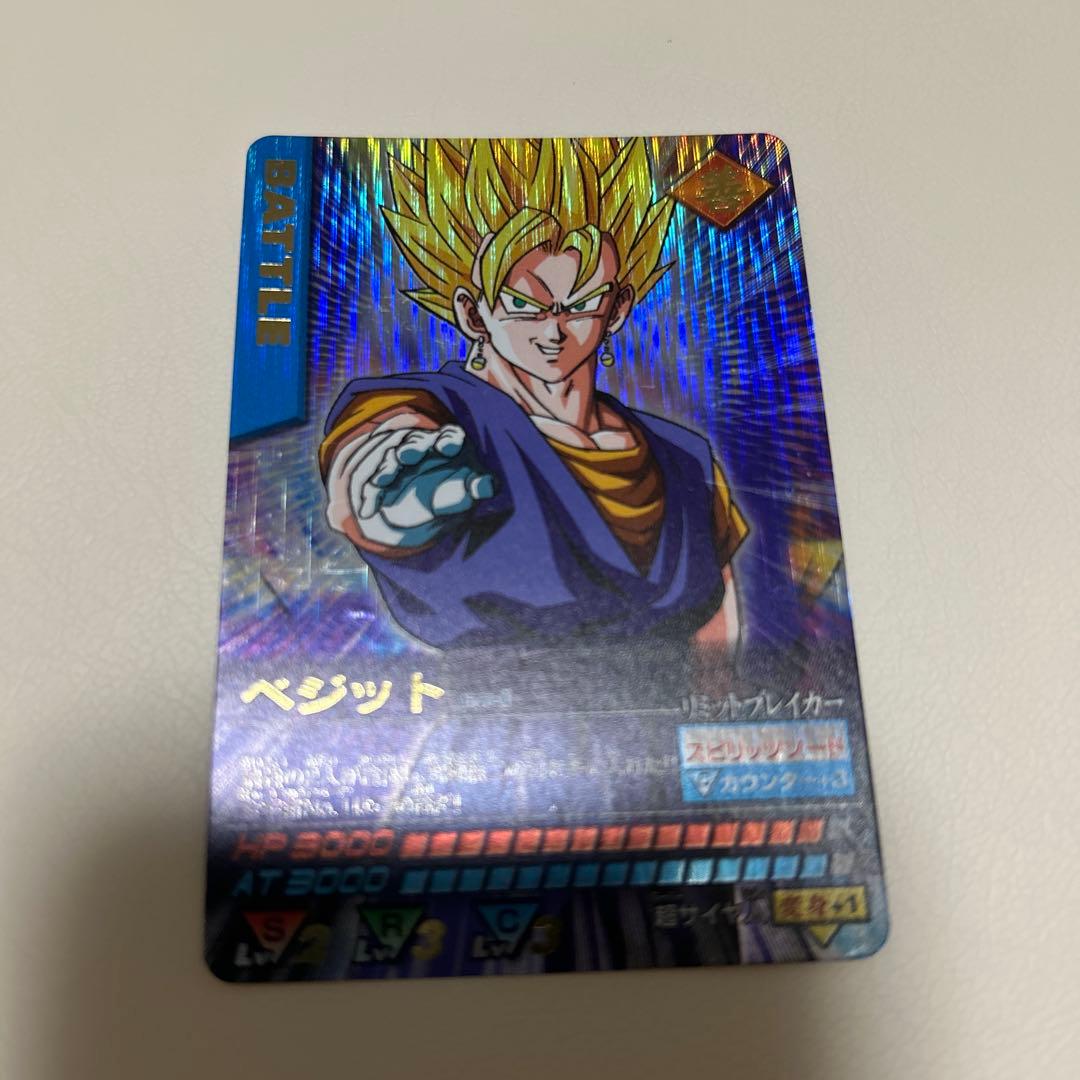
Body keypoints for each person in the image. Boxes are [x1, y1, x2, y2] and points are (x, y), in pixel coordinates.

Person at [320, 138, 747, 651]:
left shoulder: (684, 458)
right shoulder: (447, 416)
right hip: (494, 701)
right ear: (473, 313)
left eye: (582, 304)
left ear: (617, 308)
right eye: (524, 306)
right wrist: (381, 500)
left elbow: (716, 630)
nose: (554, 331)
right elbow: (383, 433)